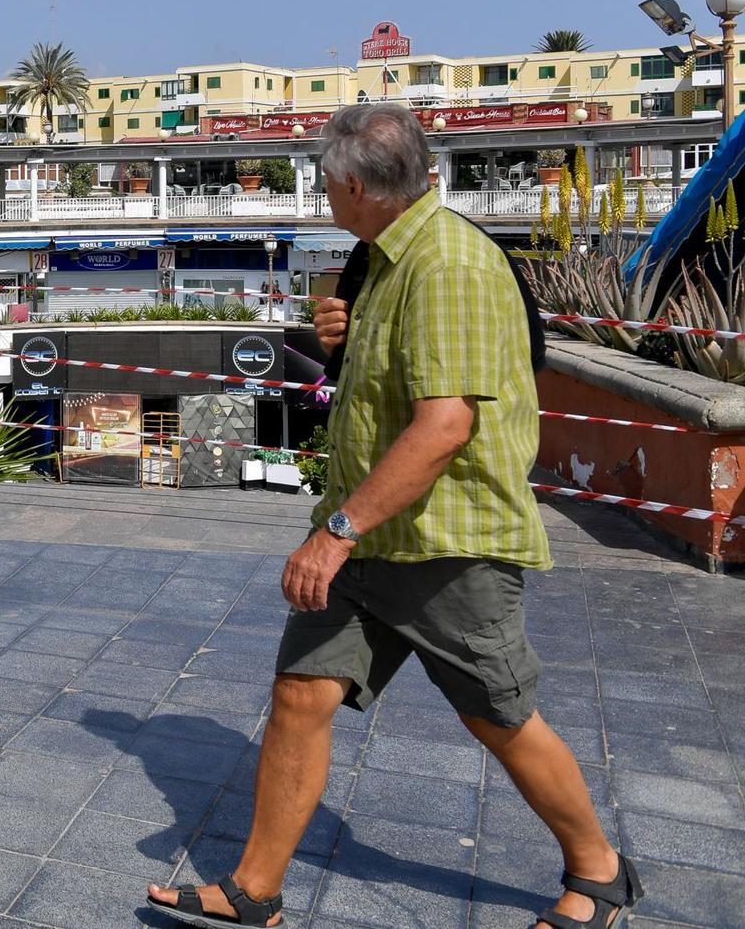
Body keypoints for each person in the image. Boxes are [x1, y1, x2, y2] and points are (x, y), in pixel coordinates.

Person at [146, 103, 640, 929]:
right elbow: (387, 385)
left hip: (445, 541)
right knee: (302, 692)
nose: (321, 196)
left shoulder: (446, 266)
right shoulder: (380, 257)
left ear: (353, 185)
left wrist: (335, 536)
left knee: (499, 716)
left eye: (324, 182)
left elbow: (445, 426)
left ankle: (600, 871)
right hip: (370, 534)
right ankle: (254, 889)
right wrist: (337, 334)